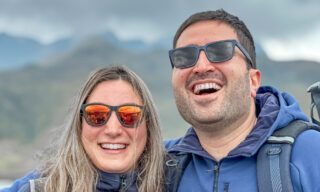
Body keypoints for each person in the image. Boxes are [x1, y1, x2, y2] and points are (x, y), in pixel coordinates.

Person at [165, 9, 320, 191]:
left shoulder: (310, 153)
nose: (201, 67)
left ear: (253, 81)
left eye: (220, 51)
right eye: (184, 57)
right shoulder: (157, 165)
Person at [1, 66, 165, 192]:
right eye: (97, 115)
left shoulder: (175, 181)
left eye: (130, 115)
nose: (113, 130)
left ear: (149, 126)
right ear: (79, 125)